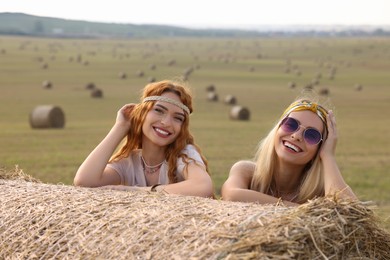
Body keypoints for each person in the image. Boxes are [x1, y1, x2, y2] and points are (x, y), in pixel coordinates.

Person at [74, 80, 213, 198]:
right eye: (159, 110)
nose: (167, 123)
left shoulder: (184, 155)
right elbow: (85, 181)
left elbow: (202, 186)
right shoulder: (129, 162)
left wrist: (137, 191)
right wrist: (121, 127)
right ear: (143, 114)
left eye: (177, 118)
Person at [221, 98, 357, 206]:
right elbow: (231, 195)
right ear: (278, 128)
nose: (296, 135)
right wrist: (305, 211)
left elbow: (353, 217)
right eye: (291, 124)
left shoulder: (322, 190)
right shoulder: (247, 172)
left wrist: (328, 156)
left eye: (311, 135)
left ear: (320, 148)